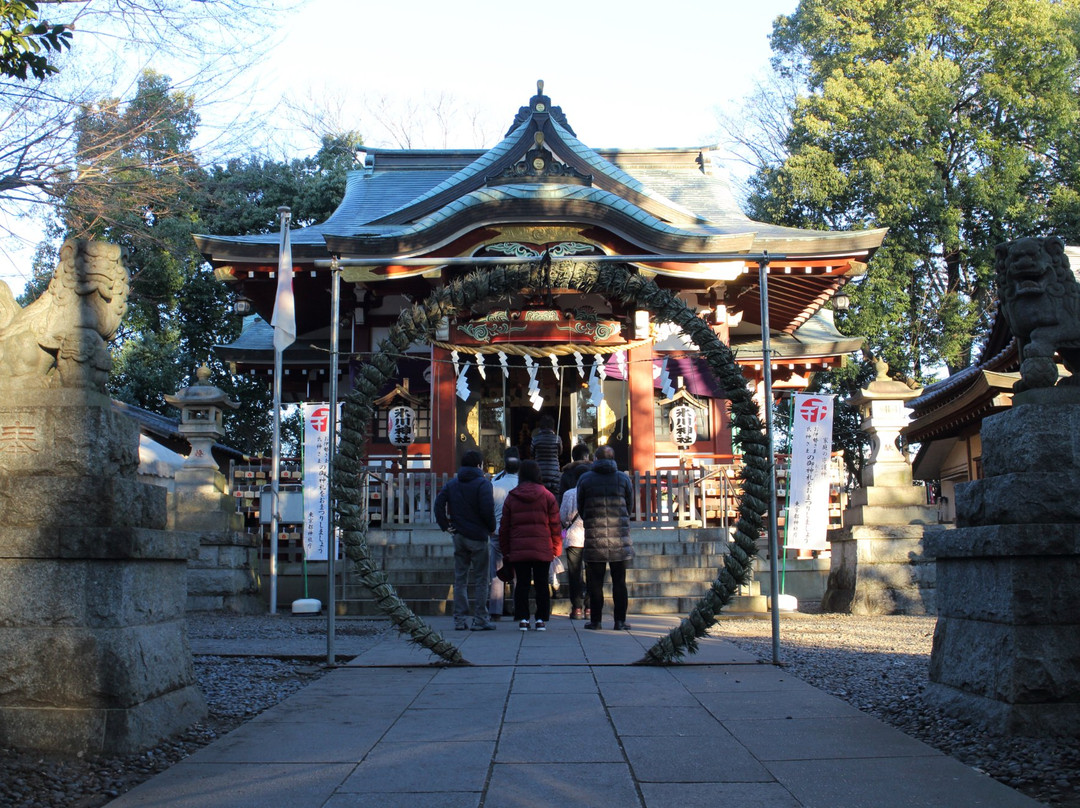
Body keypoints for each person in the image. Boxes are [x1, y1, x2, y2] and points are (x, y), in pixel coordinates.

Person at [434, 449, 497, 631]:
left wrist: (445, 525)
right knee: (481, 579)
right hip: (478, 536)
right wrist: (491, 528)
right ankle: (480, 618)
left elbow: (439, 504)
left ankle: (459, 619)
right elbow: (487, 510)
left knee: (460, 578)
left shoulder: (452, 484)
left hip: (459, 535)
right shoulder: (483, 484)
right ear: (479, 465)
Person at [575, 445, 634, 631]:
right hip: (619, 538)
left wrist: (592, 520)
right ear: (613, 458)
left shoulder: (585, 479)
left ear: (595, 459)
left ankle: (596, 620)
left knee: (595, 582)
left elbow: (581, 507)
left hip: (595, 537)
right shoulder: (623, 478)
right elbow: (629, 506)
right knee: (619, 582)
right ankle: (620, 621)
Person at [498, 459, 562, 632]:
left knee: (522, 584)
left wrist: (506, 550)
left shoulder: (512, 496)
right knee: (542, 584)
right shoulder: (547, 496)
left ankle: (523, 619)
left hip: (519, 547)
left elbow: (504, 527)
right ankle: (541, 618)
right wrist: (556, 547)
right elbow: (555, 524)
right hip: (542, 546)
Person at [558, 446, 593, 620]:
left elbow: (563, 514)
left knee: (574, 572)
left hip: (573, 536)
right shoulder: (594, 483)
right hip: (593, 533)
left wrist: (565, 525)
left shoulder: (567, 482)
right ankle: (590, 607)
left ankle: (576, 608)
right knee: (593, 570)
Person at [489, 447, 520, 619]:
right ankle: (518, 608)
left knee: (497, 572)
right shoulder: (523, 485)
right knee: (518, 572)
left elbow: (488, 510)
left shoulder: (494, 483)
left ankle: (495, 610)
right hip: (518, 534)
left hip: (498, 533)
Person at [531, 413, 563, 497]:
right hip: (554, 474)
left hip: (540, 473)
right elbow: (560, 452)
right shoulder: (557, 439)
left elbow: (532, 453)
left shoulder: (535, 439)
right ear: (553, 426)